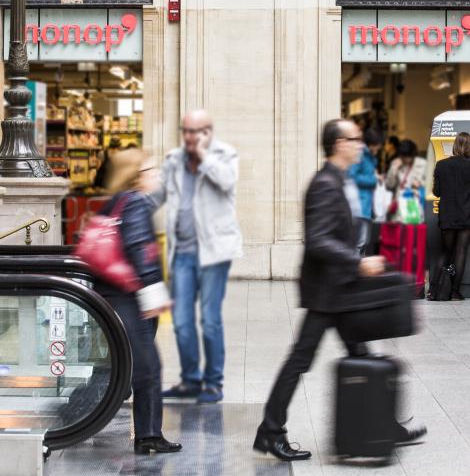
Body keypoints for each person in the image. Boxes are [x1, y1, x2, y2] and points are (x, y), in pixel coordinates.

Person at [253, 118, 426, 462]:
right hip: (327, 294)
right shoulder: (324, 184)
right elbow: (317, 241)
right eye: (354, 139)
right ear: (338, 144)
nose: (360, 144)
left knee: (360, 354)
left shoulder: (339, 180)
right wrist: (357, 261)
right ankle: (270, 432)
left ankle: (386, 425)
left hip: (340, 289)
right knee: (300, 360)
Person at [149, 109, 243, 404]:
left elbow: (227, 182)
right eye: (186, 131)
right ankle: (190, 380)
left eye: (197, 131)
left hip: (213, 253)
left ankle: (213, 382)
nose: (190, 137)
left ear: (208, 131)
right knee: (180, 321)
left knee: (211, 319)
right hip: (182, 253)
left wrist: (204, 156)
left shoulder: (225, 155)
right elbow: (156, 197)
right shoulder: (173, 160)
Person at [96, 148, 182, 455]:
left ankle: (143, 430)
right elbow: (138, 249)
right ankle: (147, 435)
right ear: (136, 176)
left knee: (126, 365)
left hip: (113, 294)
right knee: (147, 367)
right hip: (129, 297)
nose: (155, 175)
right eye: (150, 171)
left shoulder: (116, 201)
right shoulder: (134, 203)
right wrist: (153, 290)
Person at [428, 132, 470, 301]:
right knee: (460, 252)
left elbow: (436, 192)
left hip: (446, 215)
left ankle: (433, 290)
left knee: (445, 252)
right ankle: (454, 292)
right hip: (466, 215)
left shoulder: (441, 164)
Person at [348, 128, 382, 255]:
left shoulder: (369, 156)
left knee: (364, 242)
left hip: (367, 206)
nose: (379, 148)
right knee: (359, 243)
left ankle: (357, 272)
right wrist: (373, 179)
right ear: (373, 143)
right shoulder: (360, 154)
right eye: (378, 145)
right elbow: (352, 176)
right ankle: (354, 272)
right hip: (360, 205)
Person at [385, 139, 426, 220]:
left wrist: (421, 184)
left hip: (415, 205)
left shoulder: (423, 164)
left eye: (407, 156)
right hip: (400, 206)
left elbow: (432, 184)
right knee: (400, 230)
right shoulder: (395, 163)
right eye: (402, 156)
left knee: (413, 229)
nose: (405, 159)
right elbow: (389, 185)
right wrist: (394, 170)